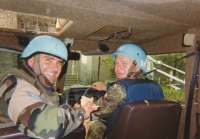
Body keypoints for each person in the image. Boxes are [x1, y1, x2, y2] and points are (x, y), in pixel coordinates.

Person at [0, 35, 96, 139]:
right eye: (48, 60)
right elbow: (48, 127)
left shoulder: (40, 87)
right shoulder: (13, 83)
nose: (55, 68)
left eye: (59, 63)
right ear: (31, 60)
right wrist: (81, 112)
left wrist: (77, 117)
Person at [82, 43, 164, 139]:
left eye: (124, 64)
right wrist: (106, 87)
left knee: (91, 125)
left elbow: (99, 112)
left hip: (119, 134)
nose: (118, 68)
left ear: (137, 67)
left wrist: (88, 104)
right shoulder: (156, 87)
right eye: (117, 63)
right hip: (146, 134)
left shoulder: (119, 88)